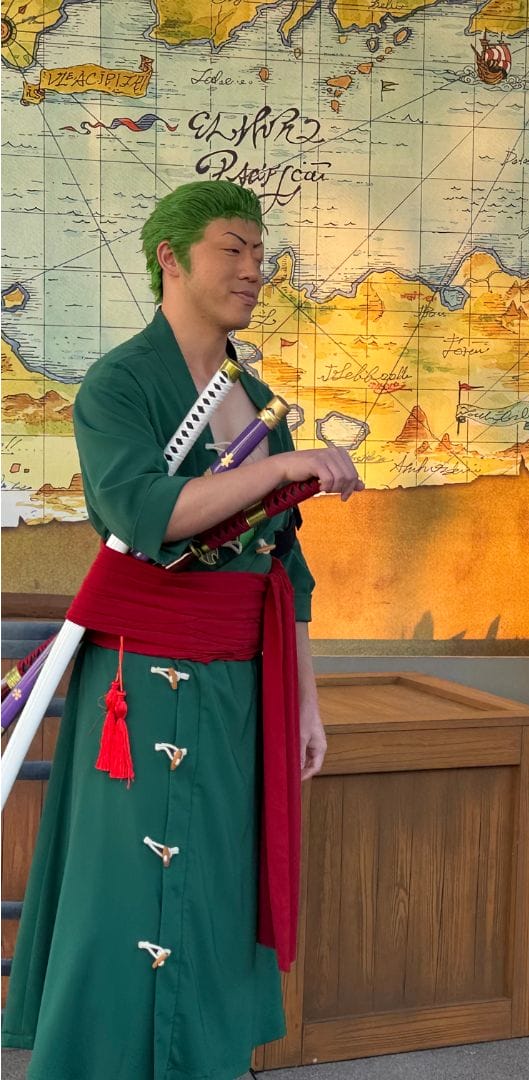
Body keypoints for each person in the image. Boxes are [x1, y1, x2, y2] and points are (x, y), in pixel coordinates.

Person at [1, 180, 362, 1080]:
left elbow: (286, 570)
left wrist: (305, 702)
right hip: (137, 675)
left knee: (213, 890)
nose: (253, 269)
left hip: (240, 687)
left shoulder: (259, 397)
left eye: (260, 253)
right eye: (232, 249)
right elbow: (145, 510)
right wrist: (282, 468)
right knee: (123, 896)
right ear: (171, 258)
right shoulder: (120, 384)